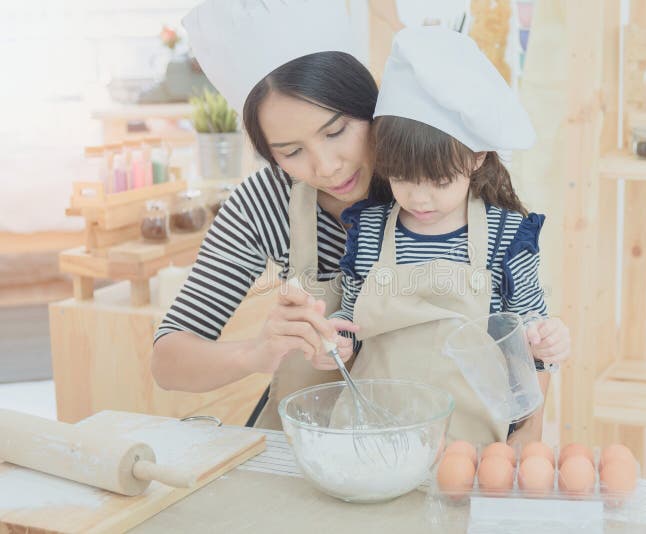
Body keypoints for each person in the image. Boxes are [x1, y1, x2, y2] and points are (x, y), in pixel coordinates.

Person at [328, 27, 570, 444]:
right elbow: (349, 322)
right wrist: (334, 337)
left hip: (470, 441)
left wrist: (546, 338)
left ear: (477, 157)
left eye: (439, 181)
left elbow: (528, 327)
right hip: (372, 436)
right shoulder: (367, 230)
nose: (419, 198)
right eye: (402, 178)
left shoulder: (506, 235)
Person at [152, 0, 385, 429]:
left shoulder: (434, 168)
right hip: (317, 439)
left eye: (336, 132)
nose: (326, 167)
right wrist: (255, 352)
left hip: (439, 434)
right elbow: (168, 360)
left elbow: (519, 321)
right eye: (292, 152)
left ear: (368, 103)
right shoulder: (265, 202)